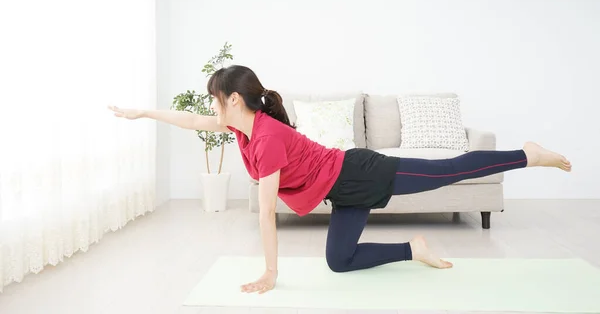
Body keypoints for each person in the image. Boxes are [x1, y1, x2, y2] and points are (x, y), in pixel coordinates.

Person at [108, 65, 572, 295]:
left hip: (359, 172)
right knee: (340, 260)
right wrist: (143, 112)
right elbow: (192, 121)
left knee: (447, 171)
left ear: (232, 100)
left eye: (214, 100)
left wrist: (271, 272)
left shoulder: (266, 138)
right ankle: (414, 250)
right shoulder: (240, 126)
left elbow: (267, 212)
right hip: (340, 189)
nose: (210, 108)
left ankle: (525, 155)